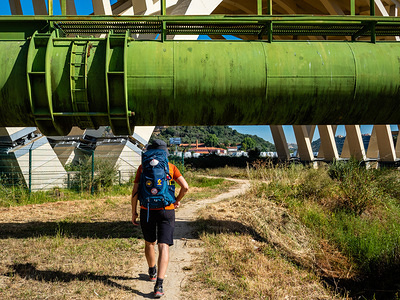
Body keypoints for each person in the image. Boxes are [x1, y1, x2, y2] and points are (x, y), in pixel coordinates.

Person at [131, 139, 189, 298]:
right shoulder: (170, 167)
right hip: (166, 210)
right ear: (165, 152)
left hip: (146, 209)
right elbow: (185, 187)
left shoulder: (142, 168)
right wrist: (177, 200)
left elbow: (135, 192)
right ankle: (159, 285)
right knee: (164, 246)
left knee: (149, 242)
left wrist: (133, 212)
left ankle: (152, 272)